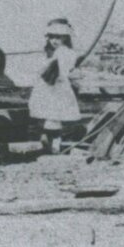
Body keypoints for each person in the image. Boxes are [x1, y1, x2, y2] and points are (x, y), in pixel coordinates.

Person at [28, 17, 84, 153]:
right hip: (47, 86)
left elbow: (66, 69)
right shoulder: (48, 53)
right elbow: (41, 69)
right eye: (52, 37)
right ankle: (47, 141)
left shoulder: (65, 52)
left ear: (65, 38)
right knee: (47, 114)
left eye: (58, 37)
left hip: (58, 87)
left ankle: (55, 142)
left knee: (56, 115)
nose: (54, 40)